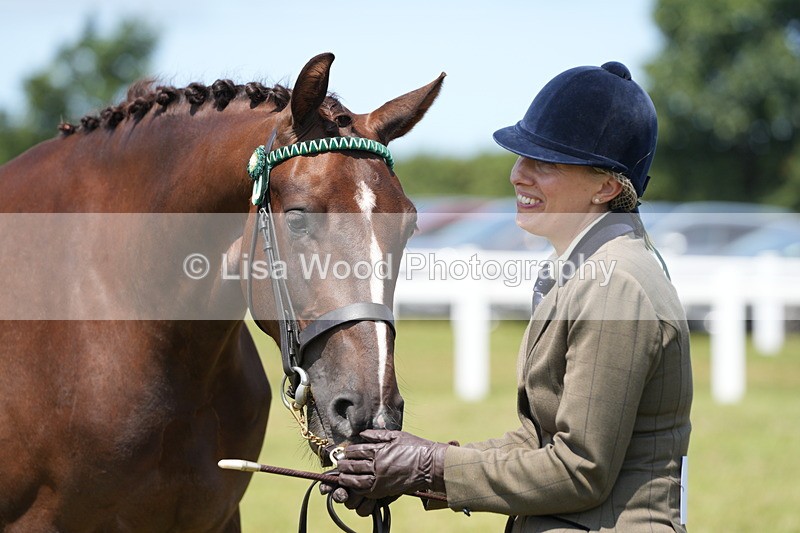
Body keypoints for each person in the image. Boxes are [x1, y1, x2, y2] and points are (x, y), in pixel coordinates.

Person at [335, 61, 693, 532]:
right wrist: (412, 465)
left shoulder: (615, 285)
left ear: (607, 186)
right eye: (522, 157)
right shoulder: (583, 272)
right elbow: (538, 442)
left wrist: (428, 467)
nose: (517, 175)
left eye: (545, 163)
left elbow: (579, 470)